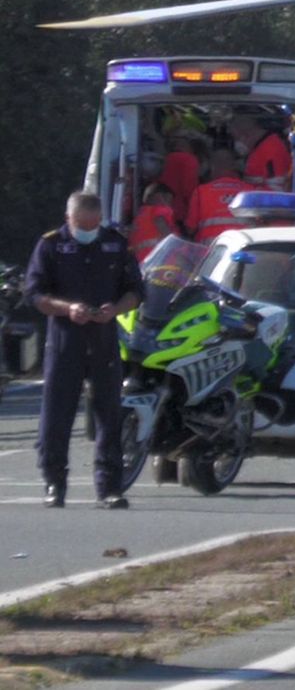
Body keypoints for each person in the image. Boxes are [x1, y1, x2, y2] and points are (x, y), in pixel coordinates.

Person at [23, 192, 143, 508]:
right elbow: (34, 294)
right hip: (65, 341)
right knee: (57, 415)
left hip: (103, 339)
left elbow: (135, 290)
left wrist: (115, 309)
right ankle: (54, 483)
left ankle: (109, 488)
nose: (88, 231)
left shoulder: (116, 244)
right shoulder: (50, 245)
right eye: (82, 225)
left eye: (94, 224)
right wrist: (68, 308)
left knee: (109, 414)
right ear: (69, 220)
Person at [188, 147, 255, 243]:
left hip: (211, 250)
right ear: (233, 166)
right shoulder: (249, 190)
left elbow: (190, 228)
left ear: (212, 166)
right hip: (243, 247)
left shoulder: (201, 191)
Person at [231, 111, 292, 191]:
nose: (237, 142)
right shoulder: (258, 148)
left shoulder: (271, 149)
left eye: (236, 138)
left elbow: (276, 190)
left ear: (246, 134)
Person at [129, 182, 176, 262]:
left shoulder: (140, 215)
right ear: (160, 197)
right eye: (169, 200)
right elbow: (161, 224)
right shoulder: (159, 209)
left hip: (140, 263)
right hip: (158, 264)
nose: (170, 205)